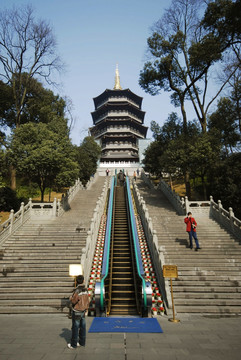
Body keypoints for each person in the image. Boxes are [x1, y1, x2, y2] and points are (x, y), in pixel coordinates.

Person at [68, 275, 89, 349]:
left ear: (76, 281)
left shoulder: (77, 290)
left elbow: (74, 301)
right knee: (83, 327)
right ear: (83, 281)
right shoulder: (86, 290)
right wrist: (86, 308)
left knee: (75, 328)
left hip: (77, 311)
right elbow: (87, 300)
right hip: (83, 310)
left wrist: (70, 298)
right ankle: (82, 342)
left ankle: (73, 344)